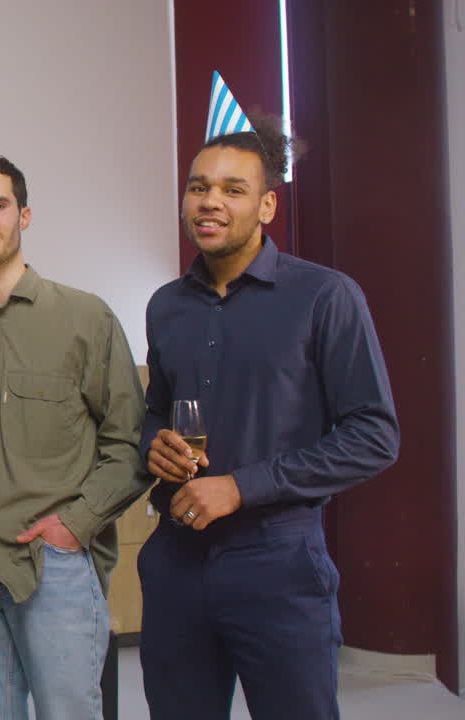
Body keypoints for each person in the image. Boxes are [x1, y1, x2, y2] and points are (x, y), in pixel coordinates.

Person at [138, 101, 398, 718]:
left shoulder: (326, 296)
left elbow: (373, 435)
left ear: (266, 206)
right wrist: (155, 443)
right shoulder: (165, 305)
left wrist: (242, 487)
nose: (210, 202)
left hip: (279, 563)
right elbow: (156, 409)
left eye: (233, 189)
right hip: (176, 562)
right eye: (199, 187)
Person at [0, 140, 147, 719]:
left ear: (24, 215)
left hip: (53, 567)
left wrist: (75, 525)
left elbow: (129, 444)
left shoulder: (85, 319)